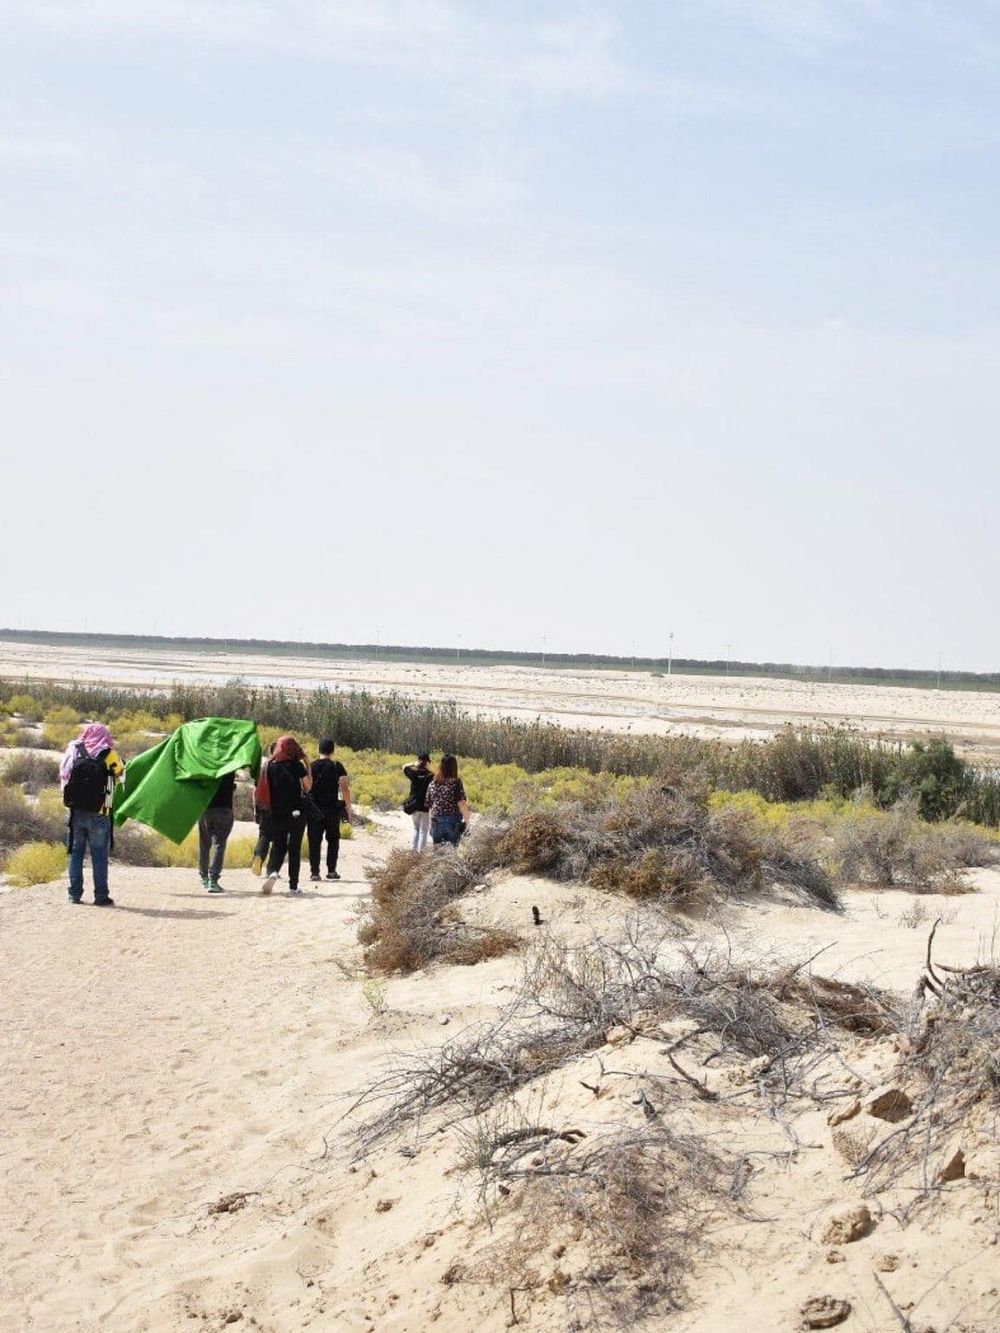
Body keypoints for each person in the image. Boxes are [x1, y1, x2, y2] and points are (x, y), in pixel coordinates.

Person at [60, 722, 126, 906]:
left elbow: (64, 776)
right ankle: (101, 896)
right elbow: (121, 776)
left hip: (76, 810)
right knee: (99, 854)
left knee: (75, 853)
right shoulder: (109, 754)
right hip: (101, 812)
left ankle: (74, 894)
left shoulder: (75, 750)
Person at [261, 735, 311, 896]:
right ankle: (293, 886)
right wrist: (307, 764)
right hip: (297, 812)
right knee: (294, 849)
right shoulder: (297, 766)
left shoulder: (270, 766)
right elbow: (308, 786)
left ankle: (274, 871)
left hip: (276, 813)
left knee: (279, 845)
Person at [308, 738, 353, 882]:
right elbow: (345, 787)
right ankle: (332, 870)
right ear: (332, 751)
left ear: (319, 750)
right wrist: (348, 807)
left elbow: (305, 786)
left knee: (314, 841)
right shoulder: (336, 766)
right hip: (332, 809)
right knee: (333, 840)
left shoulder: (311, 766)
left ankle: (315, 872)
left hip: (314, 810)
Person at [198, 770, 235, 893]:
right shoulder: (230, 767)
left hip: (205, 809)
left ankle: (204, 877)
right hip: (224, 810)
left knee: (204, 844)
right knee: (219, 845)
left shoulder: (205, 766)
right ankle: (213, 880)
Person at [426, 753, 470, 849]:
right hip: (452, 821)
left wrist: (430, 824)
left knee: (438, 854)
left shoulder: (433, 783)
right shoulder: (456, 782)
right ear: (454, 767)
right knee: (451, 854)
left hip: (436, 821)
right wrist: (467, 821)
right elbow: (461, 803)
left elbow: (430, 805)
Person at [252, 742, 275, 876]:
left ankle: (258, 858)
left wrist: (256, 810)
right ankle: (271, 868)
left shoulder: (263, 767)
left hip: (263, 807)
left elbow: (256, 790)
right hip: (278, 808)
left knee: (264, 836)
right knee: (279, 838)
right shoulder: (280, 766)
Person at [403, 752, 434, 852]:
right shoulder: (431, 776)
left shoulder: (414, 773)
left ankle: (413, 851)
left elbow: (404, 767)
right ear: (428, 762)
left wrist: (413, 763)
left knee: (416, 828)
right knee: (423, 831)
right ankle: (421, 853)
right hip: (425, 806)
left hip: (414, 805)